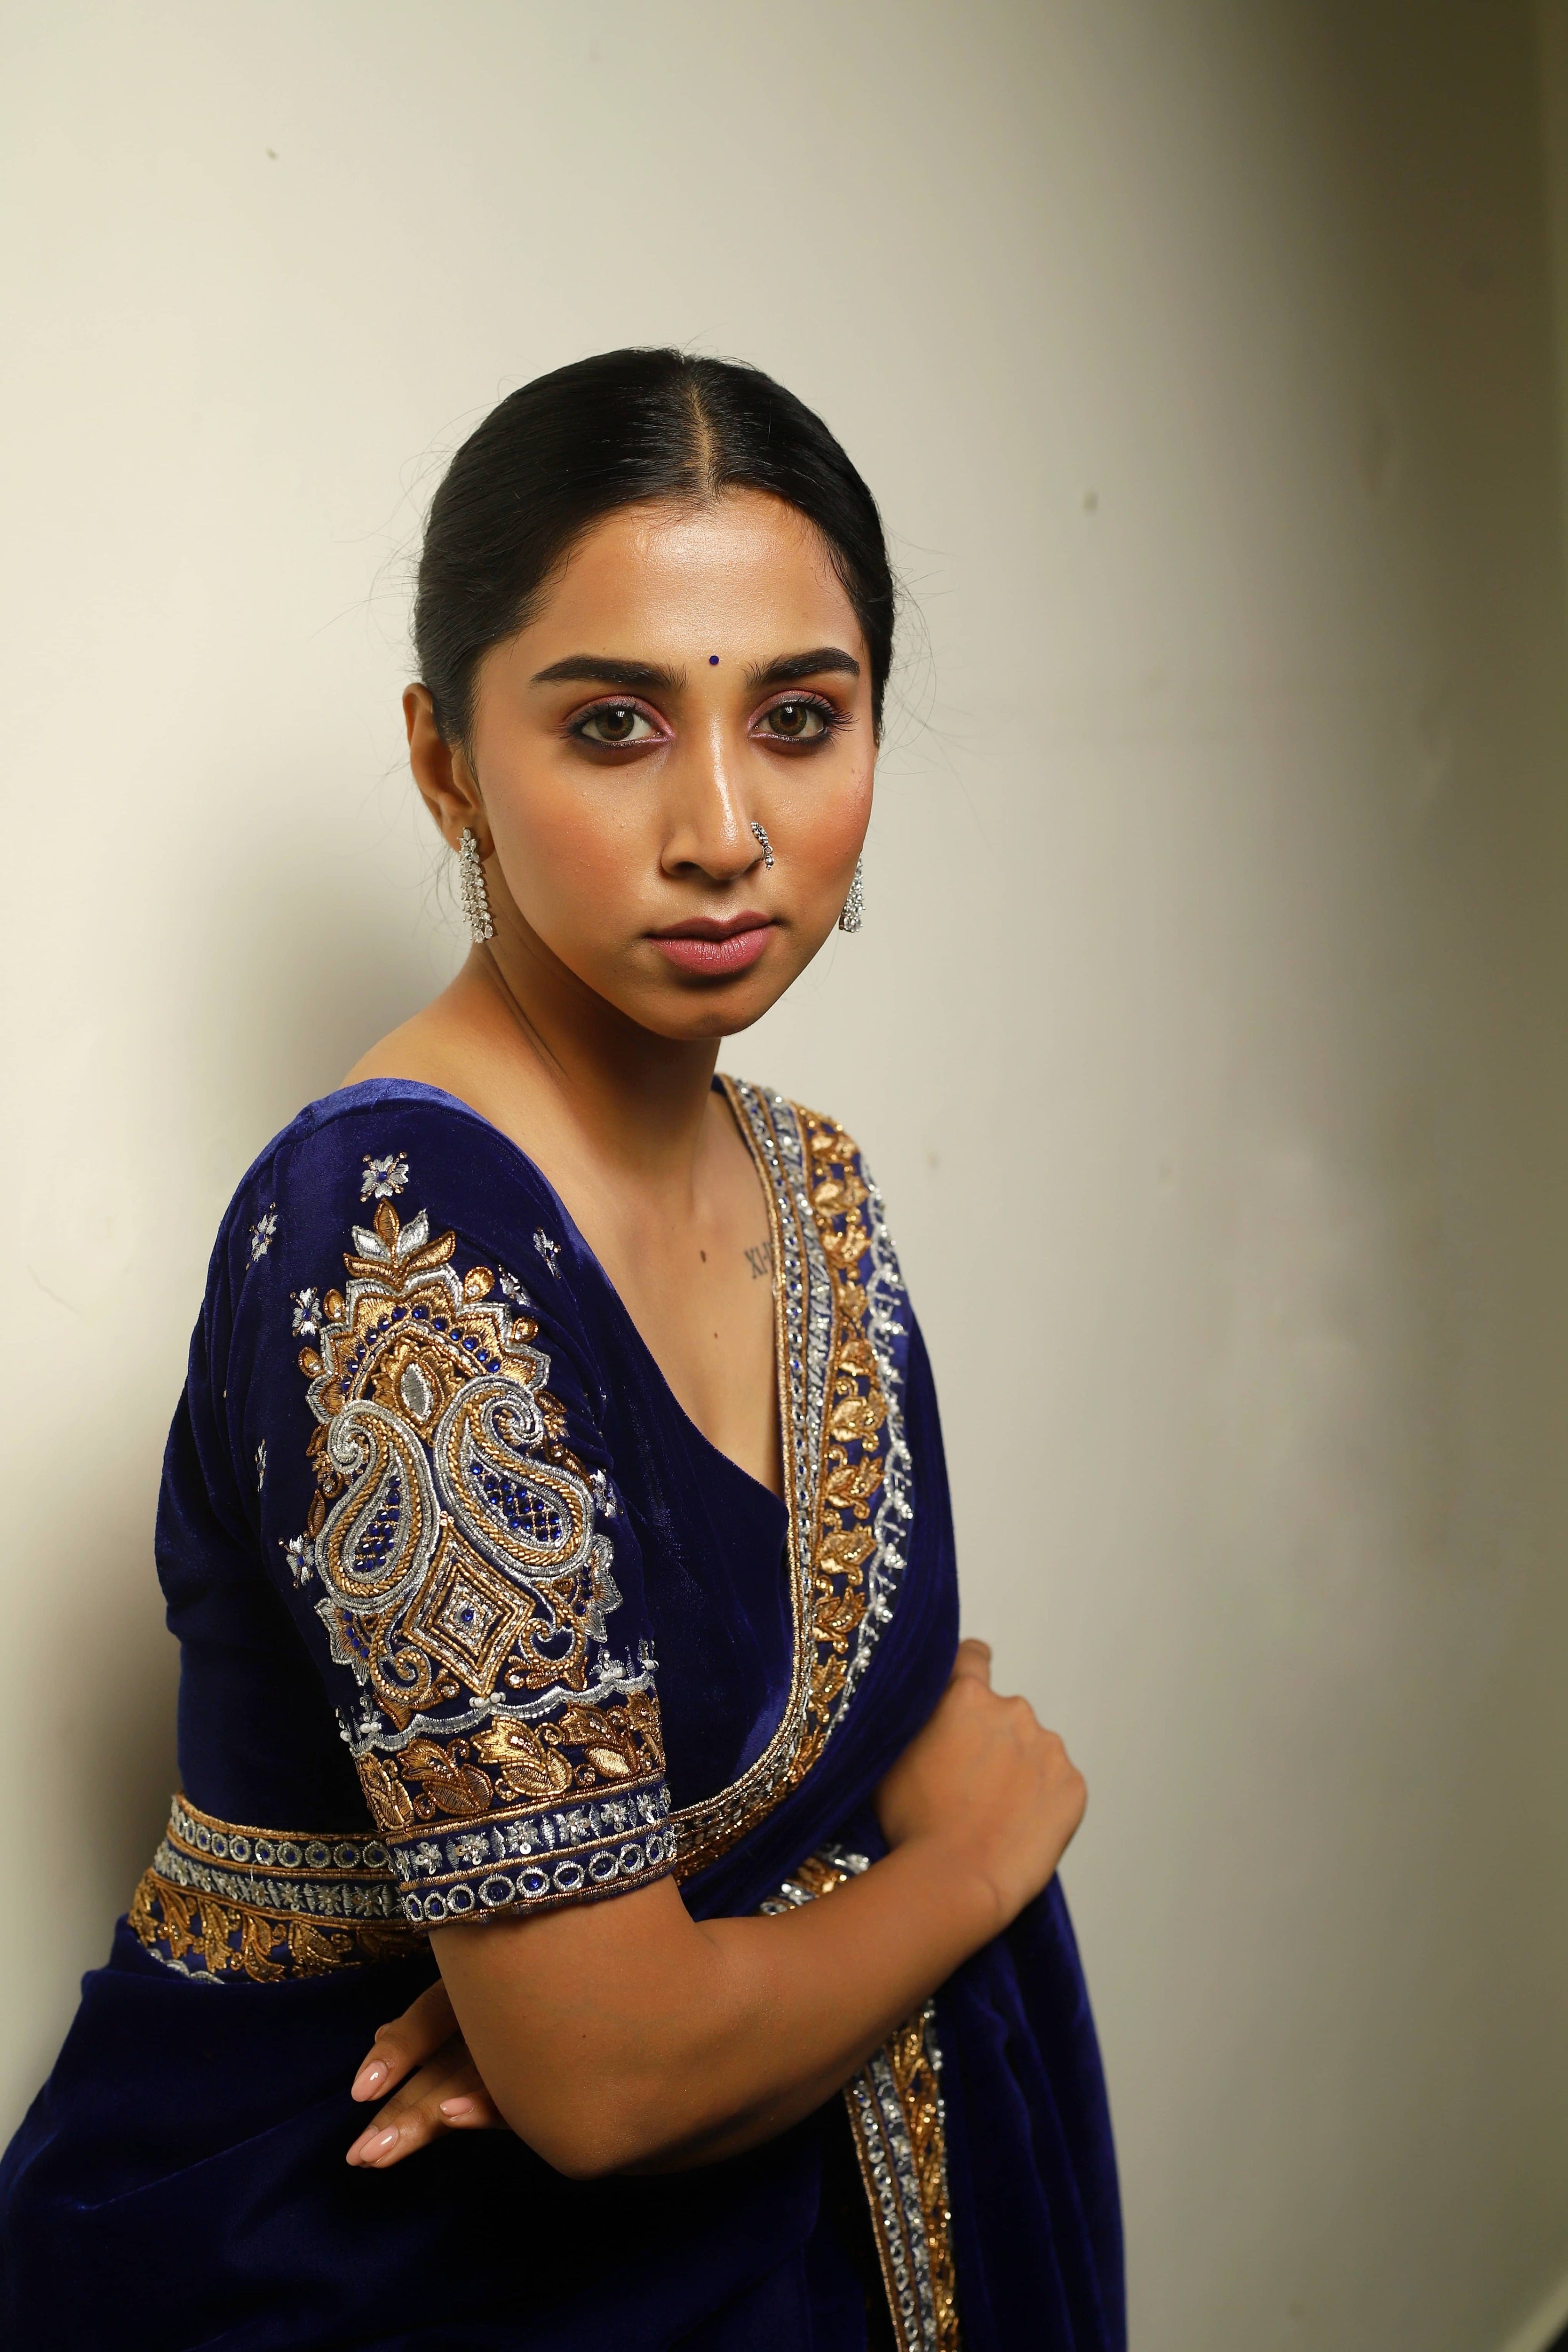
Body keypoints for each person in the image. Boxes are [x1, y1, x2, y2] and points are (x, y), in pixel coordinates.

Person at [0, 350, 1123, 2351]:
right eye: (615, 725)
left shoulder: (810, 1182)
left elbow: (831, 1712)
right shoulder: (402, 1245)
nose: (724, 828)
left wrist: (696, 1956)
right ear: (446, 762)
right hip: (390, 2265)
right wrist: (975, 1857)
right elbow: (603, 2091)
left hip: (829, 2204)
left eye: (800, 718)